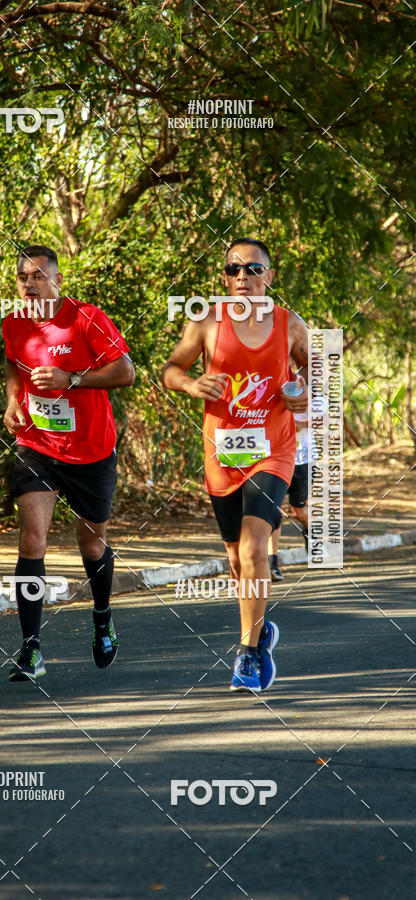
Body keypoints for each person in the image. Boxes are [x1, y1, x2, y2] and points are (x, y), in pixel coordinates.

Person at [162, 237, 309, 693]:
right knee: (235, 561)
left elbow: (317, 382)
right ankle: (259, 626)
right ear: (224, 276)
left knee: (252, 550)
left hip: (274, 450)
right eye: (233, 269)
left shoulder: (290, 325)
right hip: (222, 454)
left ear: (270, 275)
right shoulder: (206, 320)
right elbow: (170, 370)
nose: (242, 277)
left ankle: (247, 653)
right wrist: (191, 384)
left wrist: (300, 395)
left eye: (253, 269)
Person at [2, 245, 135, 681]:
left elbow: (126, 371)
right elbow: (12, 362)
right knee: (32, 539)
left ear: (57, 279)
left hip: (91, 450)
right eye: (23, 276)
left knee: (91, 544)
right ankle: (31, 649)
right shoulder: (14, 323)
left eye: (38, 276)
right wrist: (12, 402)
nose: (29, 283)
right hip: (37, 443)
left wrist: (71, 379)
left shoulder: (86, 318)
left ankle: (101, 617)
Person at [269, 418, 311, 581]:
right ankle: (272, 565)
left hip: (303, 460)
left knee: (299, 511)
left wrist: (304, 424)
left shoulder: (312, 394)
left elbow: (328, 419)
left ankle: (310, 534)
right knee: (272, 510)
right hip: (275, 460)